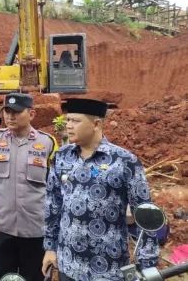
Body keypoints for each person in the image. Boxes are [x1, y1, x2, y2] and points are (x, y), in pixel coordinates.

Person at [42, 98, 159, 281]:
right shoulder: (62, 157)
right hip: (69, 265)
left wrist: (147, 266)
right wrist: (50, 247)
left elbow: (145, 216)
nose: (69, 126)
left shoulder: (125, 161)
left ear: (96, 124)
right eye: (68, 120)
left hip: (109, 269)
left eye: (75, 121)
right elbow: (53, 204)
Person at [0, 93, 58, 281]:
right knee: (0, 276)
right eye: (7, 111)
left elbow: (56, 189)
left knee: (36, 277)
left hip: (36, 230)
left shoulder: (47, 143)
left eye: (16, 112)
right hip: (3, 228)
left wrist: (55, 227)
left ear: (31, 114)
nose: (10, 116)